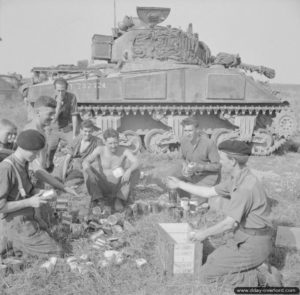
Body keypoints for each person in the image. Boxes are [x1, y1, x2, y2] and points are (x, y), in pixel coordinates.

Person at [166, 140, 274, 287]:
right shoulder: (238, 177)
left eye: (222, 158)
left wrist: (203, 233)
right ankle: (251, 266)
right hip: (244, 236)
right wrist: (179, 184)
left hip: (254, 243)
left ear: (233, 161)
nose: (219, 162)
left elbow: (229, 223)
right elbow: (209, 192)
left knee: (204, 277)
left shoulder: (245, 187)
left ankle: (257, 276)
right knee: (211, 260)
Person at [0, 129, 62, 258]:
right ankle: (12, 243)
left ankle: (14, 246)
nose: (36, 155)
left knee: (50, 233)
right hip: (14, 222)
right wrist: (29, 202)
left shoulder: (24, 163)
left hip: (28, 216)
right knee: (56, 252)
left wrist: (43, 193)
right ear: (22, 147)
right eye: (34, 152)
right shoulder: (6, 168)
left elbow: (27, 190)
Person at [82, 128, 140, 212]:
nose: (113, 146)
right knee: (86, 169)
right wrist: (90, 174)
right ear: (105, 142)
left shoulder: (124, 150)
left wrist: (129, 171)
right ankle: (99, 199)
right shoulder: (100, 149)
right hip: (102, 184)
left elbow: (136, 162)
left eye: (115, 142)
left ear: (119, 141)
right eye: (110, 143)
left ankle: (120, 199)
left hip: (118, 186)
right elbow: (85, 162)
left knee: (135, 171)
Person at [179, 117, 221, 205]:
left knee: (194, 202)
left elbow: (217, 166)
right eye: (185, 131)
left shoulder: (209, 143)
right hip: (192, 176)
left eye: (190, 130)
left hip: (208, 177)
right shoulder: (184, 141)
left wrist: (200, 167)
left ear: (197, 130)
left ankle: (208, 196)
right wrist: (184, 166)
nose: (187, 134)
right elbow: (182, 157)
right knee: (173, 183)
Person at [47, 78, 79, 172]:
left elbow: (74, 115)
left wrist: (74, 134)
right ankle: (49, 168)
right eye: (58, 90)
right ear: (54, 90)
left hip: (66, 128)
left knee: (75, 146)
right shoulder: (50, 99)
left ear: (66, 89)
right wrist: (58, 104)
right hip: (53, 129)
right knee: (49, 151)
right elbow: (54, 119)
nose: (61, 93)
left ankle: (71, 169)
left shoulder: (71, 97)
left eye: (63, 90)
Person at [59, 119, 103, 185]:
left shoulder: (97, 142)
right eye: (85, 131)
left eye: (90, 131)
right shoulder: (77, 140)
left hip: (87, 167)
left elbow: (100, 159)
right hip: (74, 166)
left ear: (93, 131)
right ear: (81, 130)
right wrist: (63, 177)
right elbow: (67, 160)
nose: (87, 134)